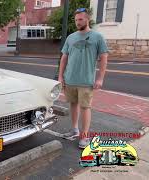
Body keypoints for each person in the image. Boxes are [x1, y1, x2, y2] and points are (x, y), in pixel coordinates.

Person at [58, 8, 109, 148]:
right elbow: (64, 57)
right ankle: (74, 130)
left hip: (86, 80)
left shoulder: (97, 37)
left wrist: (100, 78)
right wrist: (60, 76)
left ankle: (85, 137)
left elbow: (104, 58)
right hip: (70, 79)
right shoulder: (71, 37)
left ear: (87, 20)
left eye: (80, 19)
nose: (77, 22)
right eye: (75, 20)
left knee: (86, 107)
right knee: (73, 104)